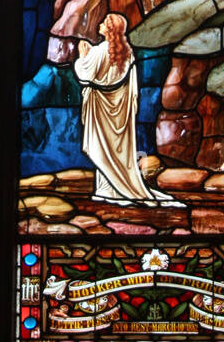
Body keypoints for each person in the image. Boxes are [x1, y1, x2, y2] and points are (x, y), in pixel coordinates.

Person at [75, 12, 184, 206]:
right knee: (113, 150)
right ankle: (107, 189)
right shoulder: (127, 54)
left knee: (101, 148)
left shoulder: (101, 51)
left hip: (101, 110)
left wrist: (83, 56)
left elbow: (86, 74)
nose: (99, 24)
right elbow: (126, 87)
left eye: (103, 23)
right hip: (120, 114)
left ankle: (108, 189)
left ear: (109, 30)